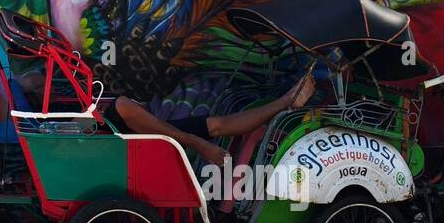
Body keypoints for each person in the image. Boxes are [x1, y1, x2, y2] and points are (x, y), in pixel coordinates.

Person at [101, 74, 316, 167]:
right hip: (108, 137)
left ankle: (286, 101)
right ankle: (195, 141)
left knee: (216, 125)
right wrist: (195, 142)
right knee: (122, 104)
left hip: (118, 130)